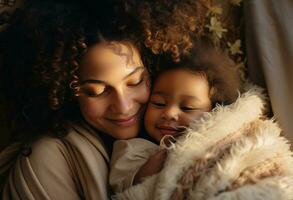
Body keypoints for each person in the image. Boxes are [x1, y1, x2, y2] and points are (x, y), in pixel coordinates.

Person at [0, 1, 153, 199]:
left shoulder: (179, 124)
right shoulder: (46, 159)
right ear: (65, 92)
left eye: (135, 82)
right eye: (96, 92)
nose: (123, 106)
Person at [109, 43, 243, 193]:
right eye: (159, 103)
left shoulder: (222, 137)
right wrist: (157, 164)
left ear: (214, 111)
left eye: (187, 108)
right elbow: (123, 189)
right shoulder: (132, 148)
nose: (169, 113)